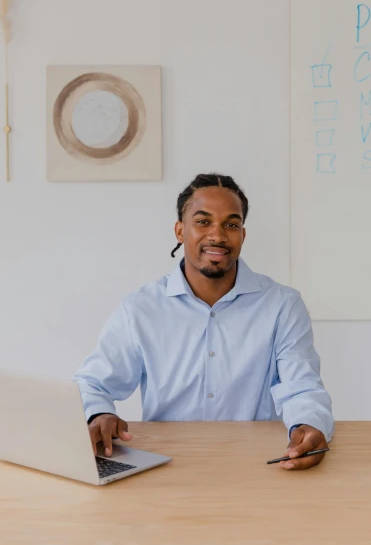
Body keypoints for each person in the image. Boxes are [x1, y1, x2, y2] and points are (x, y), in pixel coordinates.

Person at [74, 173, 334, 471]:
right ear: (180, 231)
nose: (218, 235)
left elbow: (301, 386)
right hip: (165, 466)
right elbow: (92, 383)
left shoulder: (282, 305)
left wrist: (310, 425)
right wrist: (98, 414)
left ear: (243, 235)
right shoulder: (141, 308)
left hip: (257, 465)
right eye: (203, 221)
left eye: (231, 224)